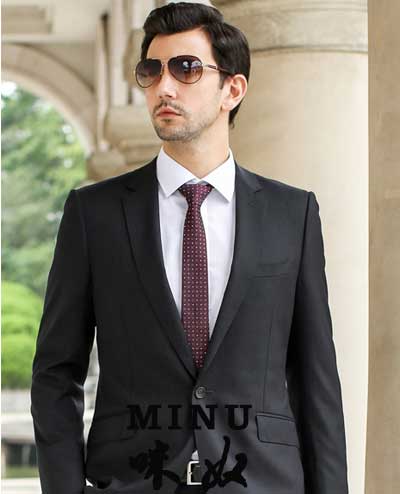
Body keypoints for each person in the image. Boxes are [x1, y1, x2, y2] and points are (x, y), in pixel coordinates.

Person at [30, 2, 349, 494]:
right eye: (151, 71)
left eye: (186, 68)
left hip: (263, 482)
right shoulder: (94, 214)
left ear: (232, 89)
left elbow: (315, 378)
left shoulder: (292, 214)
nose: (164, 86)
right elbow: (56, 372)